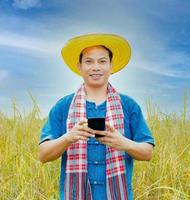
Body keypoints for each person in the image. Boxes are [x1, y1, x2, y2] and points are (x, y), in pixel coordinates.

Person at [38, 33, 155, 200]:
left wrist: (124, 143)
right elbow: (43, 154)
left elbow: (148, 153)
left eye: (102, 61)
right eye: (89, 61)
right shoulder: (63, 106)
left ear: (111, 66)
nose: (96, 67)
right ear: (79, 66)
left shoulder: (128, 105)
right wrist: (68, 138)